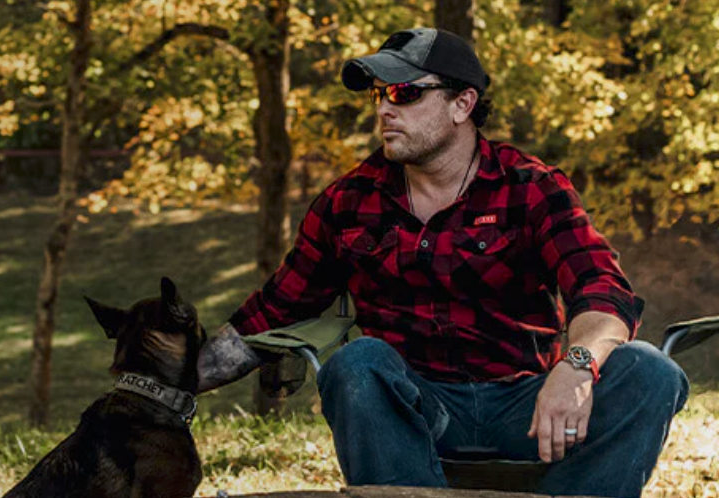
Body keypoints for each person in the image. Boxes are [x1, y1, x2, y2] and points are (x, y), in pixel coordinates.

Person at [196, 27, 689, 497]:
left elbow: (603, 289)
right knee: (357, 362)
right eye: (378, 95)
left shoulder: (532, 187)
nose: (385, 110)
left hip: (530, 405)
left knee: (650, 370)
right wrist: (163, 381)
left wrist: (575, 368)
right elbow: (272, 312)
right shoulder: (348, 202)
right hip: (413, 411)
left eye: (405, 93)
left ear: (462, 104)